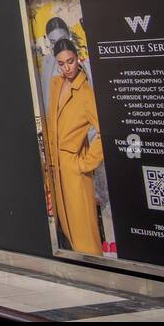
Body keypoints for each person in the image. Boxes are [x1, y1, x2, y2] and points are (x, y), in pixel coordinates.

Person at [43, 38, 104, 255]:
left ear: (78, 58)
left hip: (75, 173)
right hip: (56, 171)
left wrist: (84, 163)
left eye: (70, 61)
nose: (67, 67)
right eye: (61, 63)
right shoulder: (56, 85)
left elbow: (104, 133)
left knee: (85, 239)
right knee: (67, 233)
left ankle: (99, 282)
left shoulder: (86, 93)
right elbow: (51, 126)